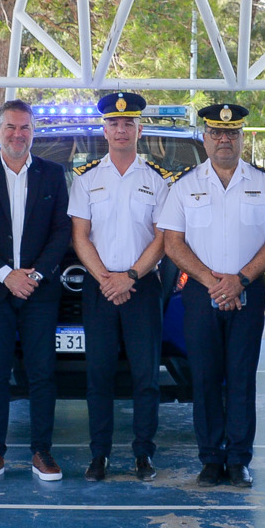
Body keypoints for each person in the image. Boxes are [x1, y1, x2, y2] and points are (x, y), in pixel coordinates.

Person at [157, 103, 265, 487]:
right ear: (205, 138)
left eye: (231, 133)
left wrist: (241, 280)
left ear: (242, 138)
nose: (224, 140)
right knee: (204, 377)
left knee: (241, 377)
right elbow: (172, 242)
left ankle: (238, 459)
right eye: (216, 133)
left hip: (248, 293)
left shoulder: (264, 183)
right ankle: (211, 459)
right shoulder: (184, 185)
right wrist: (212, 280)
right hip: (200, 294)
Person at [0, 99, 72, 483]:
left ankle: (42, 453)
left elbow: (61, 232)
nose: (17, 134)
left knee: (42, 373)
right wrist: (7, 275)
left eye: (25, 128)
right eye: (10, 127)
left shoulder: (53, 174)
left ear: (32, 132)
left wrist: (35, 275)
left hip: (39, 292)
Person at [68, 91, 172, 482]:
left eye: (128, 123)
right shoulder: (87, 179)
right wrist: (107, 280)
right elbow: (80, 236)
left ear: (139, 129)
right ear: (105, 130)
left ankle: (144, 454)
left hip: (142, 288)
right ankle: (100, 456)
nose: (121, 129)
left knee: (146, 377)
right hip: (99, 288)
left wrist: (128, 277)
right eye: (114, 123)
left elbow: (163, 237)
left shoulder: (158, 180)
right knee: (99, 376)